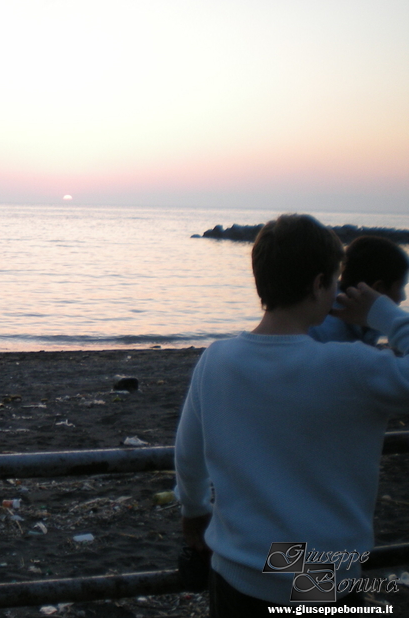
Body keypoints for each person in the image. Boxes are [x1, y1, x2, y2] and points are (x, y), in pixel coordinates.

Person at [174, 214, 409, 615]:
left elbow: (188, 457)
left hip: (236, 572)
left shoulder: (217, 360)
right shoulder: (354, 367)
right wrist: (385, 314)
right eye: (333, 281)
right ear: (319, 284)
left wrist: (194, 511)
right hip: (321, 577)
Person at [309, 235, 408, 345]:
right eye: (400, 287)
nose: (403, 296)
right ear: (378, 288)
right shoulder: (329, 335)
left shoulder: (321, 314)